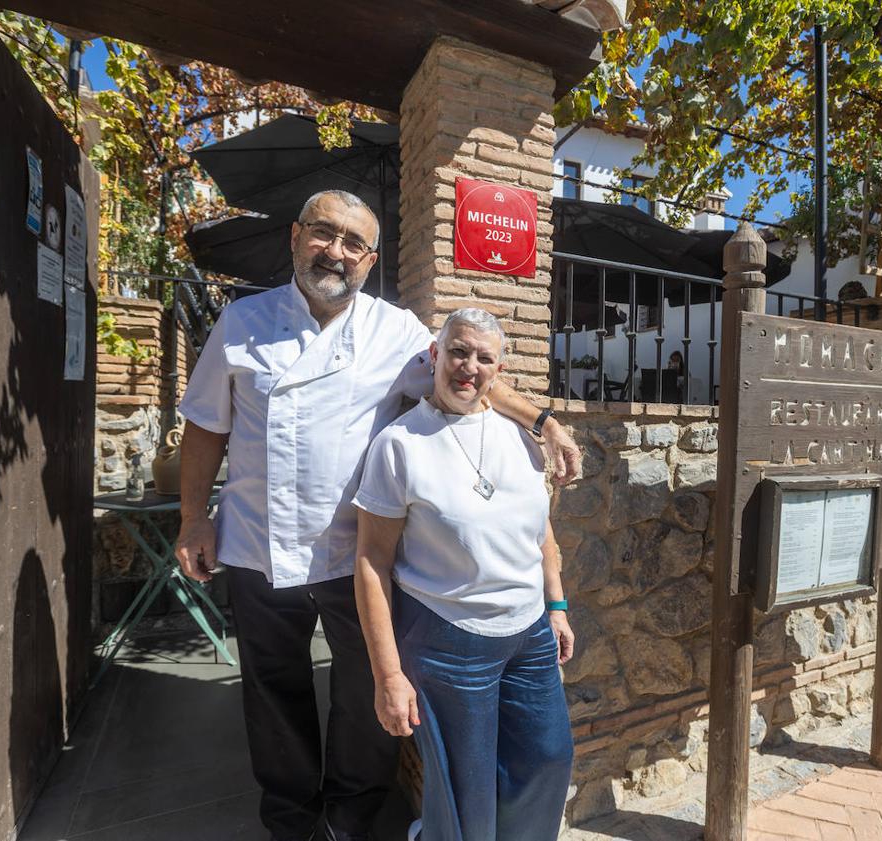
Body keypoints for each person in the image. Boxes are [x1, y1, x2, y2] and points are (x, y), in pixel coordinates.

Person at [174, 190, 580, 841]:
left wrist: (543, 417)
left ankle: (351, 817)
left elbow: (468, 366)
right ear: (295, 236)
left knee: (366, 700)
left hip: (348, 552)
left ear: (369, 260)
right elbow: (204, 428)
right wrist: (195, 516)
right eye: (324, 234)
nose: (336, 251)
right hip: (255, 543)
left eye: (353, 243)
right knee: (273, 694)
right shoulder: (241, 322)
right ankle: (291, 819)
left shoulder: (395, 330)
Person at [352, 308, 575, 841]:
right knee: (464, 791)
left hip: (530, 635)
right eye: (458, 351)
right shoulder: (399, 446)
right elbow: (371, 564)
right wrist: (388, 677)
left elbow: (539, 533)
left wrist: (557, 606)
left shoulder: (520, 438)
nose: (468, 367)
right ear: (434, 355)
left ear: (498, 371)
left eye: (483, 357)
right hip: (448, 639)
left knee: (548, 760)